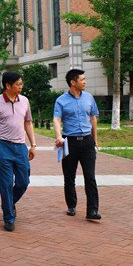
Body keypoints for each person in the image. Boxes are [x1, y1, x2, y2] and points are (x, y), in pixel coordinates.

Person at [0, 71, 37, 232]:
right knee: (6, 184)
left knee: (23, 181)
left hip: (20, 146)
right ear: (8, 86)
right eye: (18, 84)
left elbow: (28, 123)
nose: (21, 87)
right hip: (3, 147)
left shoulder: (25, 101)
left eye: (21, 84)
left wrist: (33, 144)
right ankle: (9, 217)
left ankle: (8, 203)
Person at [53, 69, 101, 220]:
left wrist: (95, 140)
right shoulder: (61, 100)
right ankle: (71, 206)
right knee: (69, 177)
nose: (85, 82)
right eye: (82, 79)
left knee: (90, 177)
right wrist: (59, 136)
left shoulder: (89, 98)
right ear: (73, 82)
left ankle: (92, 211)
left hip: (87, 142)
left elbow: (93, 118)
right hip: (69, 142)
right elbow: (56, 119)